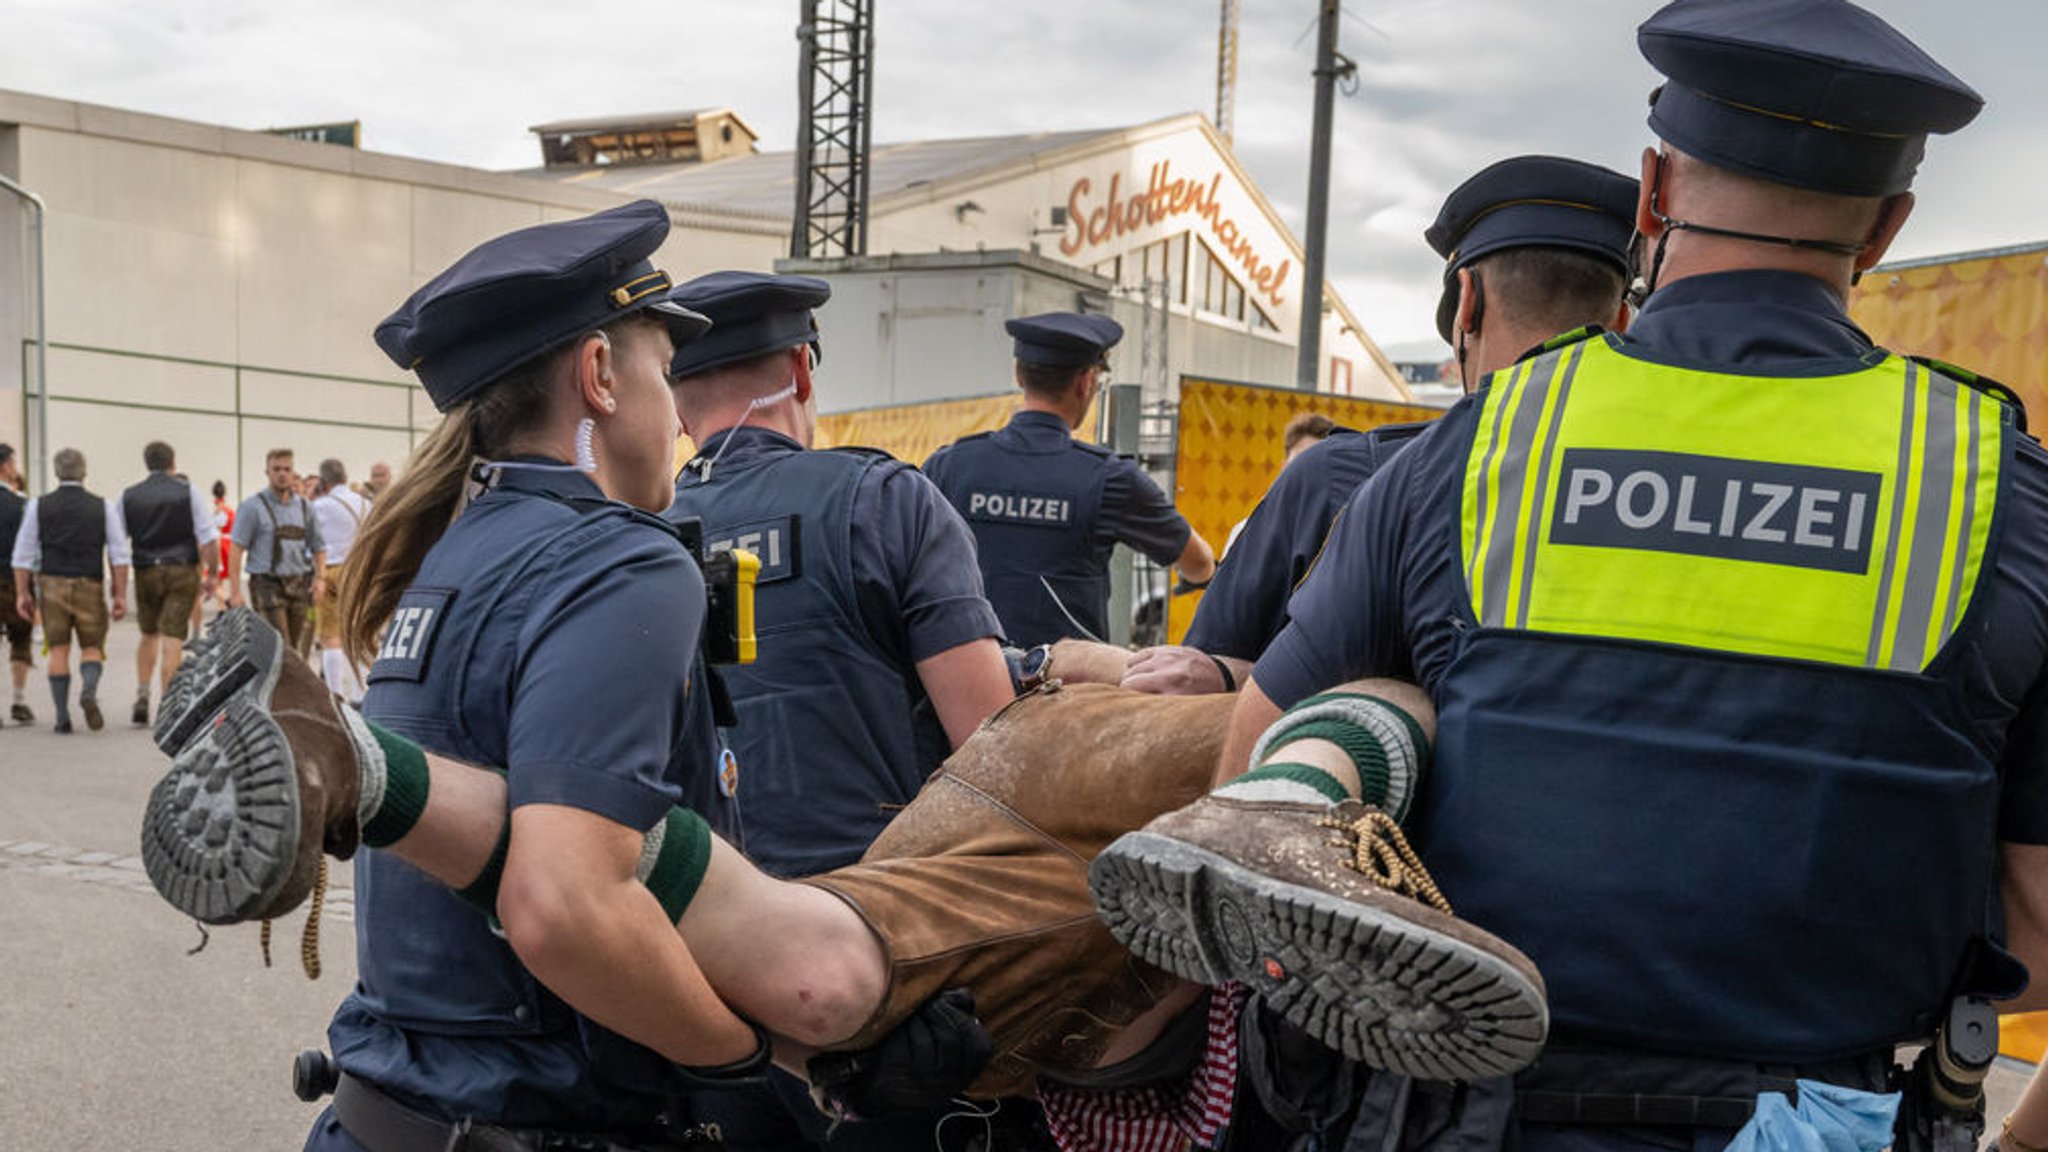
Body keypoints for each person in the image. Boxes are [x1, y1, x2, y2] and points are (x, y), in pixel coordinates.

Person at [1107, 3, 2048, 1151]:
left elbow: (1258, 771)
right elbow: (2037, 927)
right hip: (1812, 1111)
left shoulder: (1481, 444)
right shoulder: (1998, 489)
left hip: (1463, 1113)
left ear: (1652, 191)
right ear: (1886, 228)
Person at [661, 272, 1017, 1147]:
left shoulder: (633, 538)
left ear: (676, 407)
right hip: (884, 976)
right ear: (802, 373)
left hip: (704, 976)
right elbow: (998, 753)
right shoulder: (883, 502)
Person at [1124, 156, 1638, 696]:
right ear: (1623, 322)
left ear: (1466, 304)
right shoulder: (1669, 490)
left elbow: (1189, 691)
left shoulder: (1342, 479)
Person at [923, 313, 1215, 647]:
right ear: (1086, 382)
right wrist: (1201, 576)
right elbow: (1197, 560)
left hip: (964, 677)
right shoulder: (1111, 479)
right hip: (1065, 687)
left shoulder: (949, 466)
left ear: (1019, 375)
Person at [10, 447, 129, 732]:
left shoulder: (39, 505)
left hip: (51, 583)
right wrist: (120, 593)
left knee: (59, 650)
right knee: (91, 647)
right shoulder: (103, 506)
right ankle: (88, 691)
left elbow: (22, 554)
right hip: (89, 582)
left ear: (56, 472)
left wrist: (22, 593)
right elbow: (119, 554)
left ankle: (62, 717)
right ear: (84, 471)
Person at [120, 441, 220, 726]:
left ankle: (142, 693)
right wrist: (212, 574)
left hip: (145, 569)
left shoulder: (129, 496)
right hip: (181, 569)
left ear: (147, 463)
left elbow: (118, 537)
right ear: (173, 462)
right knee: (173, 637)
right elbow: (208, 537)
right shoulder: (188, 493)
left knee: (148, 633)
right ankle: (169, 704)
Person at [227, 448, 325, 658]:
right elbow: (236, 549)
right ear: (267, 471)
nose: (282, 474)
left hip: (300, 584)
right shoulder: (252, 507)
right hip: (266, 585)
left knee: (299, 649)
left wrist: (320, 578)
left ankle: (291, 689)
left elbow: (318, 546)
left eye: (287, 469)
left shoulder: (305, 508)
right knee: (280, 648)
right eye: (277, 469)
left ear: (293, 472)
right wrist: (235, 591)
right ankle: (277, 689)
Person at [311, 458, 370, 701]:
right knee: (357, 633)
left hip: (329, 570)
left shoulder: (319, 506)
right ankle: (360, 693)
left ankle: (334, 695)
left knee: (330, 636)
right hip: (358, 570)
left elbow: (312, 542)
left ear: (324, 481)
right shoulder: (366, 504)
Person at [0, 443, 32, 725]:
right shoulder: (22, 505)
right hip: (12, 580)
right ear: (6, 467)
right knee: (20, 640)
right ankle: (18, 701)